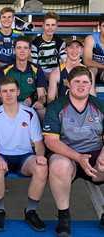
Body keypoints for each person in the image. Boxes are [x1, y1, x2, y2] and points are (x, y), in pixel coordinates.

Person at [43, 66, 104, 237]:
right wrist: (78, 157)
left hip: (95, 155)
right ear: (68, 84)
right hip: (68, 155)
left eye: (85, 82)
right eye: (77, 81)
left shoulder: (99, 105)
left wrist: (103, 156)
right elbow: (51, 141)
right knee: (58, 166)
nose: (81, 85)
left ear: (91, 85)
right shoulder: (56, 106)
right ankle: (64, 216)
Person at [0, 76, 47, 232]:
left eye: (12, 90)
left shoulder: (30, 113)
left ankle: (31, 211)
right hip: (2, 155)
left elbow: (38, 143)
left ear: (18, 92)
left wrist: (40, 156)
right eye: (4, 91)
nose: (8, 94)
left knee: (41, 168)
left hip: (24, 156)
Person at [0, 37, 47, 118]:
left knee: (42, 111)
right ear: (14, 50)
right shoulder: (4, 70)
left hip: (30, 106)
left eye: (25, 48)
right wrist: (16, 105)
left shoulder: (37, 69)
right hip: (8, 105)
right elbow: (0, 96)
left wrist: (39, 102)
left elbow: (42, 96)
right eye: (19, 48)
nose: (22, 51)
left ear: (29, 51)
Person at [48, 38, 94, 103]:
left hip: (83, 110)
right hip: (63, 110)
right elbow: (50, 100)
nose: (74, 50)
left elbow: (92, 97)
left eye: (77, 47)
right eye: (71, 47)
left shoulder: (89, 73)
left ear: (82, 50)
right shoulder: (56, 73)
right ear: (65, 50)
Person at [31, 11, 66, 79]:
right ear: (43, 26)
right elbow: (34, 64)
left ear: (56, 26)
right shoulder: (35, 43)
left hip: (55, 74)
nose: (50, 28)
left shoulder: (60, 42)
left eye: (53, 25)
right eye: (47, 25)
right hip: (40, 74)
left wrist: (56, 73)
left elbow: (65, 60)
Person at [0, 7, 23, 72]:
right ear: (0, 19)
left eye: (9, 17)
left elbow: (24, 56)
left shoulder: (19, 35)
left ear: (13, 19)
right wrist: (6, 67)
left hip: (15, 65)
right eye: (4, 17)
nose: (6, 19)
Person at [83, 14, 104, 84]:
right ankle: (91, 93)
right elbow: (87, 61)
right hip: (94, 69)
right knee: (92, 70)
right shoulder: (91, 39)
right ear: (99, 27)